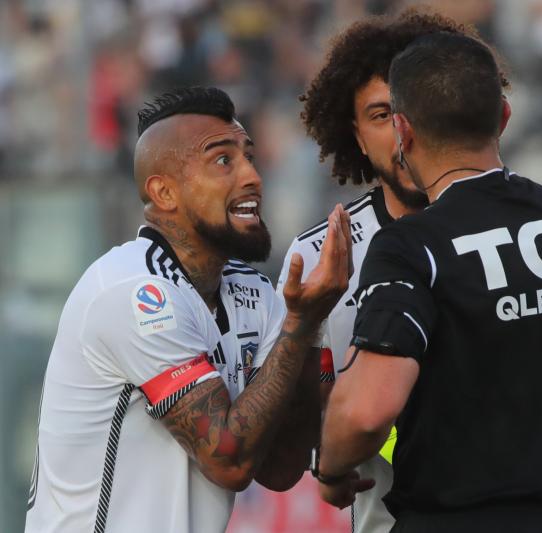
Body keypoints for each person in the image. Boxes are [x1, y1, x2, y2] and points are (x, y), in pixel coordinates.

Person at [317, 31, 542, 533]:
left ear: (403, 131)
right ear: (503, 117)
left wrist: (330, 469)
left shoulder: (410, 246)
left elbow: (366, 412)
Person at [24, 87, 352, 533]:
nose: (253, 176)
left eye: (249, 157)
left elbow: (278, 470)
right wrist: (302, 323)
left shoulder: (255, 294)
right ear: (164, 192)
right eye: (223, 161)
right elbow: (228, 461)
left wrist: (311, 334)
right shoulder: (134, 291)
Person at [276, 9, 508, 533]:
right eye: (380, 116)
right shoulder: (318, 255)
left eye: (410, 109)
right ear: (354, 135)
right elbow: (314, 421)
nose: (403, 133)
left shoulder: (536, 225)